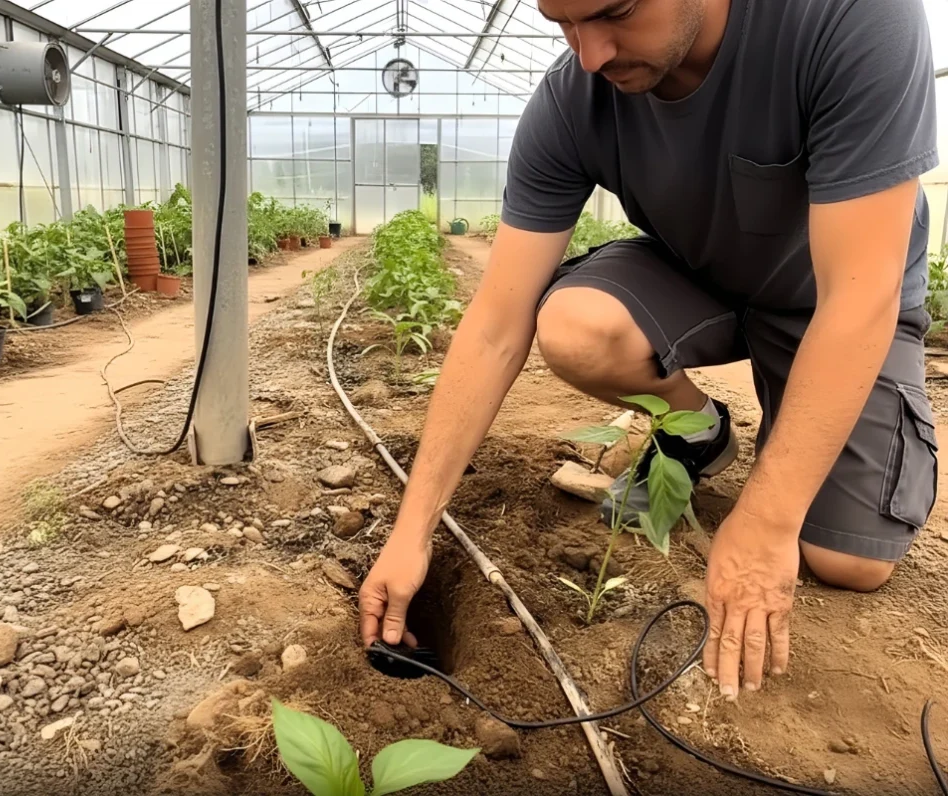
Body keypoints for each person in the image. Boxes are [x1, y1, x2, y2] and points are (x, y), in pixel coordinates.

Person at [359, 0, 940, 703]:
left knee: (847, 561)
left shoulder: (846, 18)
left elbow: (859, 300)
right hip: (694, 275)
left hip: (832, 296)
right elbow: (495, 323)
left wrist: (765, 523)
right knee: (575, 324)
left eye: (615, 13)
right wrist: (412, 530)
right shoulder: (575, 98)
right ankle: (700, 429)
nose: (589, 54)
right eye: (562, 25)